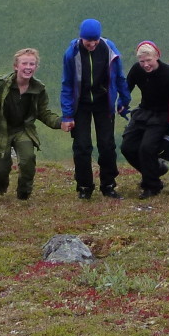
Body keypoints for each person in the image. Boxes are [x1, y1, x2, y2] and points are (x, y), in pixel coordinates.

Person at [0, 47, 61, 200]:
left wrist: (60, 122)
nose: (28, 67)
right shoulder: (0, 85)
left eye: (32, 64)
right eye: (24, 63)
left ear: (36, 67)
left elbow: (43, 112)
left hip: (22, 130)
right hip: (0, 130)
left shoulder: (38, 89)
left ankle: (24, 194)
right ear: (16, 66)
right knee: (0, 170)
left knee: (28, 161)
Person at [59, 18, 130, 200]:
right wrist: (67, 115)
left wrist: (124, 99)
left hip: (103, 102)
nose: (91, 44)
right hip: (80, 104)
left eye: (95, 40)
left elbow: (119, 76)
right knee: (82, 146)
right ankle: (84, 186)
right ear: (81, 38)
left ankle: (108, 185)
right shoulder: (71, 53)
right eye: (88, 40)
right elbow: (67, 84)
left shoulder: (108, 48)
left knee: (107, 145)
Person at [122, 41, 169, 199]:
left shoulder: (168, 74)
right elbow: (126, 88)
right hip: (143, 112)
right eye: (142, 61)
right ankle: (156, 169)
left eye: (148, 60)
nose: (145, 65)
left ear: (157, 56)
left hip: (162, 115)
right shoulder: (137, 70)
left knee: (147, 148)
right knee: (127, 147)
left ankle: (152, 185)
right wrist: (122, 104)